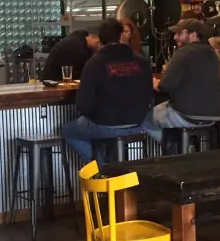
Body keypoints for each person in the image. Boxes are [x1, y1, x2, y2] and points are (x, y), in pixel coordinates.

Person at [62, 19, 154, 165]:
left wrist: (97, 116)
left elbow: (84, 104)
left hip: (105, 125)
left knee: (68, 131)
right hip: (139, 124)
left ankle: (99, 166)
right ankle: (111, 166)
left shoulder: (94, 63)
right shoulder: (141, 61)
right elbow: (149, 94)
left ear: (100, 38)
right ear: (121, 35)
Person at [143, 18, 220, 143]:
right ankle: (187, 143)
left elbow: (166, 86)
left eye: (179, 33)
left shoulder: (183, 52)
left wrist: (156, 84)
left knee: (146, 120)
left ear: (193, 35)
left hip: (187, 114)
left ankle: (176, 146)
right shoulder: (212, 53)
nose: (175, 37)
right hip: (214, 115)